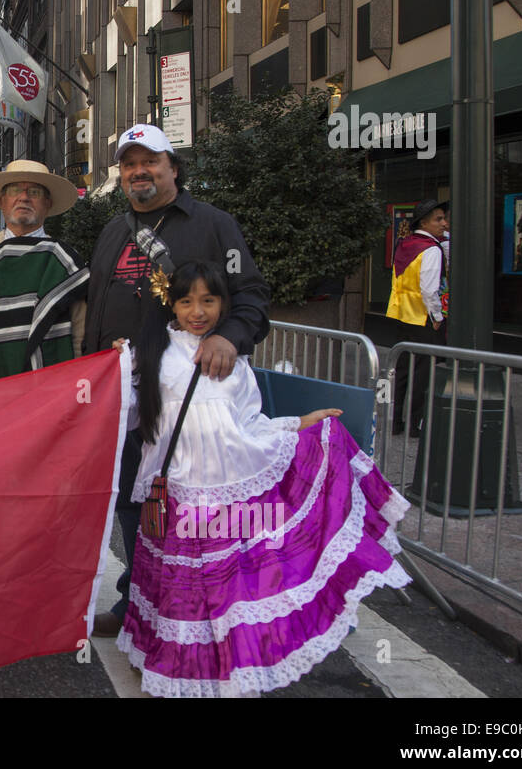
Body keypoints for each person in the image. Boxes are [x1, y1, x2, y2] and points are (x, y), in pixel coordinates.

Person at [117, 260, 409, 696]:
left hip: (230, 494)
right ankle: (171, 663)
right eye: (186, 301)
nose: (197, 311)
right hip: (177, 492)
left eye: (208, 300)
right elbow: (123, 411)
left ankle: (231, 667)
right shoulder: (150, 355)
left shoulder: (234, 360)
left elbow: (250, 424)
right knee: (180, 593)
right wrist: (115, 368)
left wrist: (300, 423)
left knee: (229, 591)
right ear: (171, 305)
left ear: (223, 304)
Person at [84, 123, 270, 638]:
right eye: (129, 164)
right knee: (129, 498)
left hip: (188, 399)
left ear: (173, 168)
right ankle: (137, 602)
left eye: (150, 162)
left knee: (185, 506)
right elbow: (97, 309)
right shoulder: (113, 230)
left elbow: (250, 292)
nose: (138, 172)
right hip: (123, 397)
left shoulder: (213, 225)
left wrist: (229, 337)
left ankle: (201, 608)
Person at [0, 160, 88, 380]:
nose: (24, 197)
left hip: (50, 388)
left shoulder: (62, 259)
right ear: (2, 201)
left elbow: (79, 334)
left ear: (48, 203)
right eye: (15, 190)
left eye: (34, 191)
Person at [386, 198, 448, 436]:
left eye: (443, 218)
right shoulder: (431, 249)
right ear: (424, 222)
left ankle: (396, 421)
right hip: (422, 317)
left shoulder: (406, 243)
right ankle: (415, 424)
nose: (443, 224)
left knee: (402, 371)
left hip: (402, 315)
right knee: (422, 373)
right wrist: (437, 316)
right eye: (438, 219)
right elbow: (429, 289)